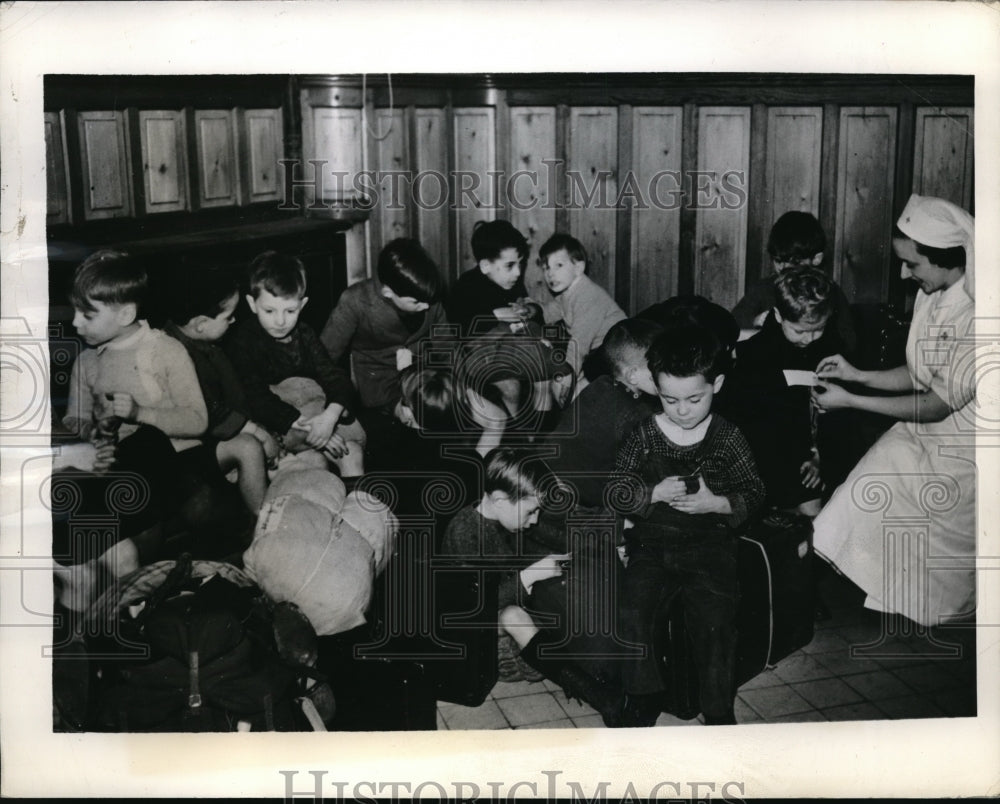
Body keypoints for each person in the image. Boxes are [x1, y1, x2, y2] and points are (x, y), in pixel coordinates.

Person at [811, 194, 976, 627]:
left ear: (945, 260)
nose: (904, 274)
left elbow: (937, 404)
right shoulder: (931, 293)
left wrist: (851, 399)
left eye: (912, 264)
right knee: (858, 494)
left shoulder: (980, 316)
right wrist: (858, 375)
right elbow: (919, 373)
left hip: (963, 448)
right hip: (920, 429)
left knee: (939, 552)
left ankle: (931, 611)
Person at [612, 325, 765, 726]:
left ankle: (717, 710)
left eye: (694, 399)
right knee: (631, 611)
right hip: (652, 546)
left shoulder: (728, 437)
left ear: (717, 385)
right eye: (669, 399)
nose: (681, 410)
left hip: (709, 546)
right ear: (656, 388)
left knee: (716, 625)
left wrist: (717, 503)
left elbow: (754, 491)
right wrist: (651, 493)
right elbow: (616, 488)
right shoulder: (644, 434)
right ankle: (642, 696)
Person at [440, 447, 623, 726]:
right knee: (514, 614)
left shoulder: (507, 519)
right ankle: (598, 696)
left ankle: (591, 672)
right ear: (499, 500)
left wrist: (612, 542)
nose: (535, 519)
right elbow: (477, 607)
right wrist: (529, 576)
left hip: (497, 616)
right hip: (469, 628)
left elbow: (562, 539)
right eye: (530, 511)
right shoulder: (465, 531)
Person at [720, 266, 848, 516]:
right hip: (763, 450)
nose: (809, 339)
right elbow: (746, 420)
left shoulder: (830, 350)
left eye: (818, 329)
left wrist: (820, 458)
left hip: (812, 450)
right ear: (778, 316)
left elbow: (838, 416)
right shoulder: (755, 354)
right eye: (799, 331)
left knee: (815, 508)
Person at [224, 251, 364, 477]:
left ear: (302, 304)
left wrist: (329, 417)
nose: (280, 321)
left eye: (290, 311)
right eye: (269, 311)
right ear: (252, 303)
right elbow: (255, 397)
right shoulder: (243, 341)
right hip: (278, 424)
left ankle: (358, 500)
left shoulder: (305, 334)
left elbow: (334, 376)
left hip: (314, 414)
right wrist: (310, 428)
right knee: (314, 462)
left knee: (351, 452)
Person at [63, 249, 208, 451]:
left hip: (177, 455)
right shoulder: (86, 361)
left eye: (87, 315)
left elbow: (198, 421)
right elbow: (74, 418)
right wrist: (91, 431)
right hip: (120, 461)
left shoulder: (167, 350)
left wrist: (140, 414)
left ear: (125, 315)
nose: (75, 322)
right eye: (75, 311)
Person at [164, 266, 279, 513]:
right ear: (201, 324)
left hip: (215, 435)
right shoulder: (176, 354)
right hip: (184, 449)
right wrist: (258, 433)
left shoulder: (203, 344)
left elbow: (234, 394)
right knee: (249, 447)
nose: (234, 320)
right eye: (228, 317)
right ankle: (262, 522)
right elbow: (209, 410)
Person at [545, 317, 662, 510]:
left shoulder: (600, 384)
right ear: (632, 375)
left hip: (547, 472)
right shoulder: (637, 414)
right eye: (660, 368)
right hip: (578, 498)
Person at [320, 238, 447, 413]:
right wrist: (335, 401)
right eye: (416, 302)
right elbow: (324, 357)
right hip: (379, 389)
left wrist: (461, 387)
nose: (427, 306)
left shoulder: (426, 294)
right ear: (388, 292)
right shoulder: (355, 300)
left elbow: (447, 346)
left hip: (423, 380)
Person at [731, 211, 856, 352]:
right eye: (778, 261)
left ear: (816, 259)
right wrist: (754, 321)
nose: (784, 268)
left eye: (794, 262)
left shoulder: (829, 292)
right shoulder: (764, 289)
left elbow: (848, 342)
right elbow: (731, 325)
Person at [528, 233, 627, 394]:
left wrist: (567, 374)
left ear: (578, 268)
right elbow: (551, 311)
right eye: (546, 267)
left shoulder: (588, 295)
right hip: (598, 354)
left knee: (569, 390)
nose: (550, 273)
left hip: (618, 356)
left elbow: (579, 343)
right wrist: (532, 309)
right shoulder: (569, 292)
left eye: (559, 265)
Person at [446, 219, 531, 337]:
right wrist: (497, 315)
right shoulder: (464, 287)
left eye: (520, 263)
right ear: (486, 266)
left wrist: (528, 309)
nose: (518, 272)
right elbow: (460, 329)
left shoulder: (512, 282)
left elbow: (532, 313)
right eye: (509, 265)